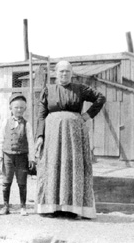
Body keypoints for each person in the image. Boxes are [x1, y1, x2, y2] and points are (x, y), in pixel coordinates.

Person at [34, 60, 106, 219]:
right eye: (61, 71)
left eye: (67, 71)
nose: (64, 74)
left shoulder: (79, 89)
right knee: (53, 165)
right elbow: (41, 115)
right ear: (56, 73)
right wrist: (40, 136)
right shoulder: (48, 90)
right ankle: (51, 207)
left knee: (72, 167)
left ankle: (72, 208)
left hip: (74, 135)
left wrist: (88, 115)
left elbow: (100, 98)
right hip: (52, 134)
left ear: (71, 73)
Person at [0, 93, 35, 216]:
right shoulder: (5, 122)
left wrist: (31, 158)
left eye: (22, 108)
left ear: (25, 109)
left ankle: (23, 207)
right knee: (6, 181)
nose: (19, 110)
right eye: (16, 107)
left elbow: (31, 142)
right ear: (10, 108)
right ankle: (5, 206)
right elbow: (0, 139)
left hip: (22, 157)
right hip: (8, 156)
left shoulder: (27, 124)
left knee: (22, 182)